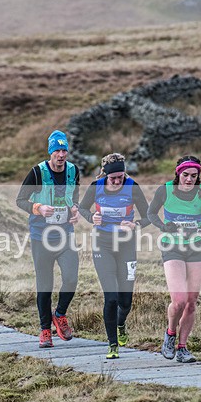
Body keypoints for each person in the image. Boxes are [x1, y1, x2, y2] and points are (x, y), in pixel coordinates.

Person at [147, 155, 201, 363]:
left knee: (191, 303)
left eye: (194, 176)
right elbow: (151, 214)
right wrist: (164, 226)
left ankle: (182, 347)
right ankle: (170, 334)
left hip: (196, 248)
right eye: (185, 175)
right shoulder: (165, 190)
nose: (189, 179)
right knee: (178, 301)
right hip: (172, 247)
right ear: (178, 173)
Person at [78, 153, 150, 359]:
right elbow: (82, 208)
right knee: (111, 298)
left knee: (125, 301)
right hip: (103, 245)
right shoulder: (96, 186)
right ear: (105, 175)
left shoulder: (132, 187)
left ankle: (121, 324)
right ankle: (112, 345)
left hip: (126, 247)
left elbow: (149, 216)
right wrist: (92, 217)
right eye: (113, 178)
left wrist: (135, 224)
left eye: (120, 177)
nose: (117, 181)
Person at [16, 130, 80, 349]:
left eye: (64, 150)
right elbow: (20, 200)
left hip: (65, 235)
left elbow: (75, 197)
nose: (61, 155)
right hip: (40, 236)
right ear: (50, 152)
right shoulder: (37, 172)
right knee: (45, 285)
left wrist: (75, 209)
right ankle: (45, 330)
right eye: (57, 151)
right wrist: (38, 208)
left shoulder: (73, 171)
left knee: (71, 278)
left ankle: (59, 314)